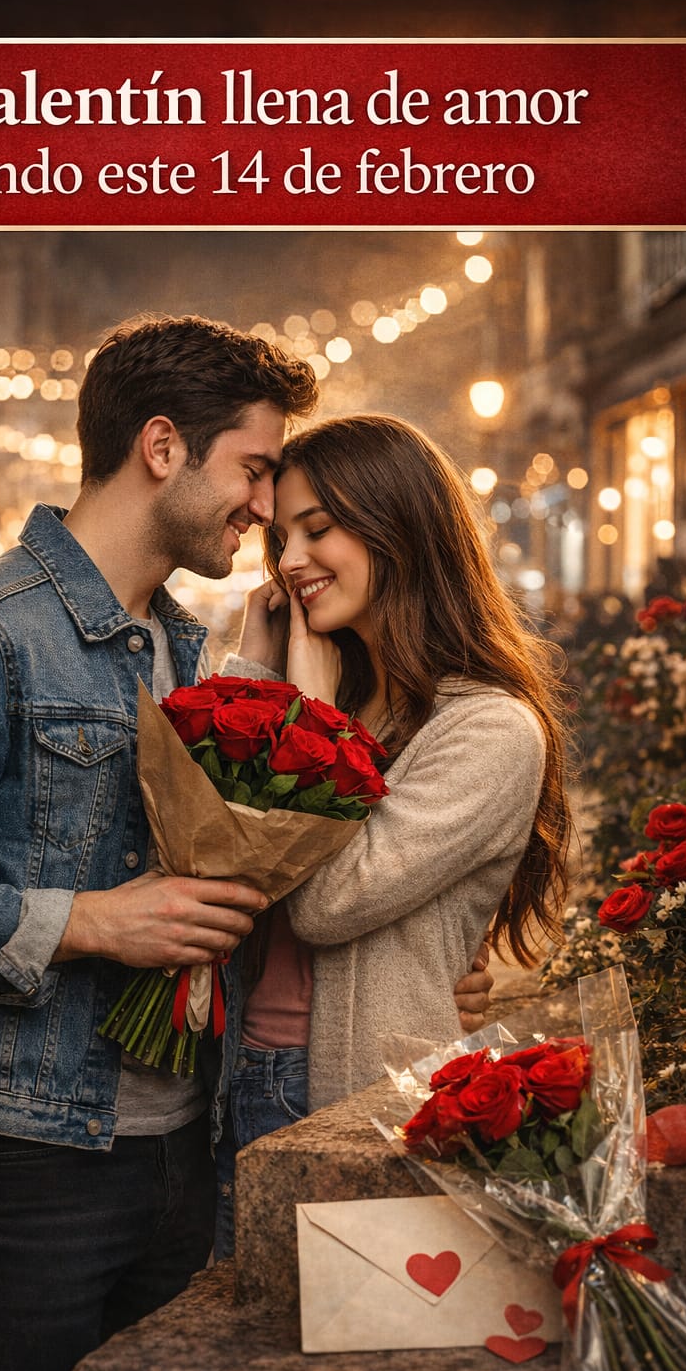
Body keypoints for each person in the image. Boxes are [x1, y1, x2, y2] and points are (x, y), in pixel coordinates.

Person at [0, 318, 492, 1371]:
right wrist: (92, 925)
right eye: (251, 472)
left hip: (185, 1139)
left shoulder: (191, 649)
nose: (260, 509)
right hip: (18, 1143)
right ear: (161, 445)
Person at [213, 413, 572, 1257]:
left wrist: (306, 713)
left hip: (349, 1091)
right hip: (234, 1076)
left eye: (319, 529)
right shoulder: (344, 688)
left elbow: (331, 901)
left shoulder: (487, 730)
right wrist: (254, 677)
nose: (291, 560)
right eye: (282, 538)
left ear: (397, 527)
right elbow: (215, 849)